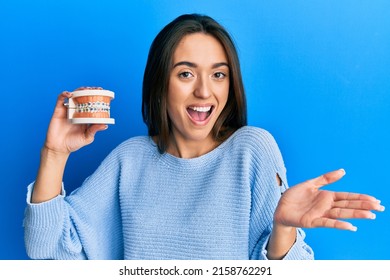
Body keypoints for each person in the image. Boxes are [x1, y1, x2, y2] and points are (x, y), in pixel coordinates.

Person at [23, 13, 384, 260]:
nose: (204, 92)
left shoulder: (252, 150)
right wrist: (54, 154)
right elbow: (48, 252)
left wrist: (283, 227)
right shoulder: (129, 159)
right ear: (159, 83)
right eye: (185, 74)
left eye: (218, 75)